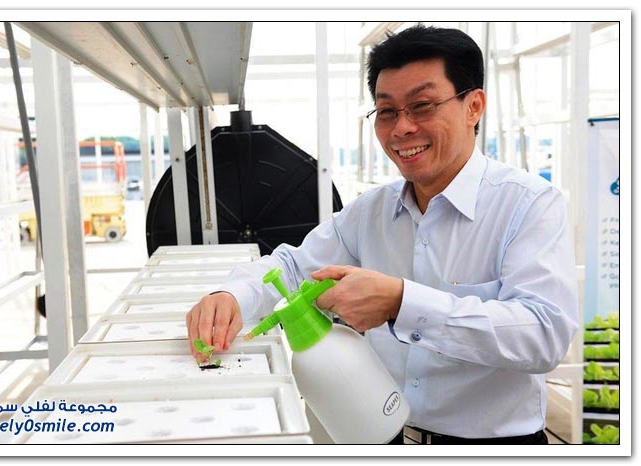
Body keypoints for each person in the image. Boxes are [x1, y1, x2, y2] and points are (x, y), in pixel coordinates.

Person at [186, 25, 577, 445]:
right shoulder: (370, 212)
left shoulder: (527, 204)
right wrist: (230, 297)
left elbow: (544, 334)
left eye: (422, 106)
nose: (401, 128)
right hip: (382, 434)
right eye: (387, 111)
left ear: (473, 106)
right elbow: (292, 267)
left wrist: (401, 303)